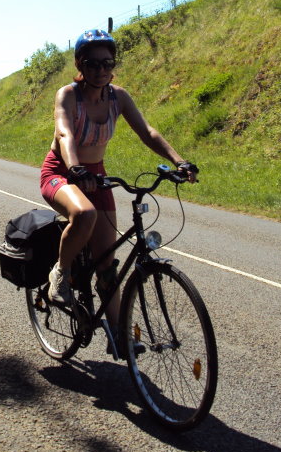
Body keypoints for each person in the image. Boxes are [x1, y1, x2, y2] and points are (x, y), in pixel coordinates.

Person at [39, 29, 197, 343]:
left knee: (107, 266)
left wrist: (180, 161)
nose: (100, 70)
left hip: (95, 175)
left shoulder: (118, 97)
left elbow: (147, 132)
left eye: (107, 63)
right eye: (92, 63)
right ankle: (61, 273)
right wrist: (75, 168)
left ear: (114, 65)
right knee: (85, 215)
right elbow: (65, 134)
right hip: (62, 172)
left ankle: (120, 335)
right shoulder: (68, 95)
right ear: (79, 64)